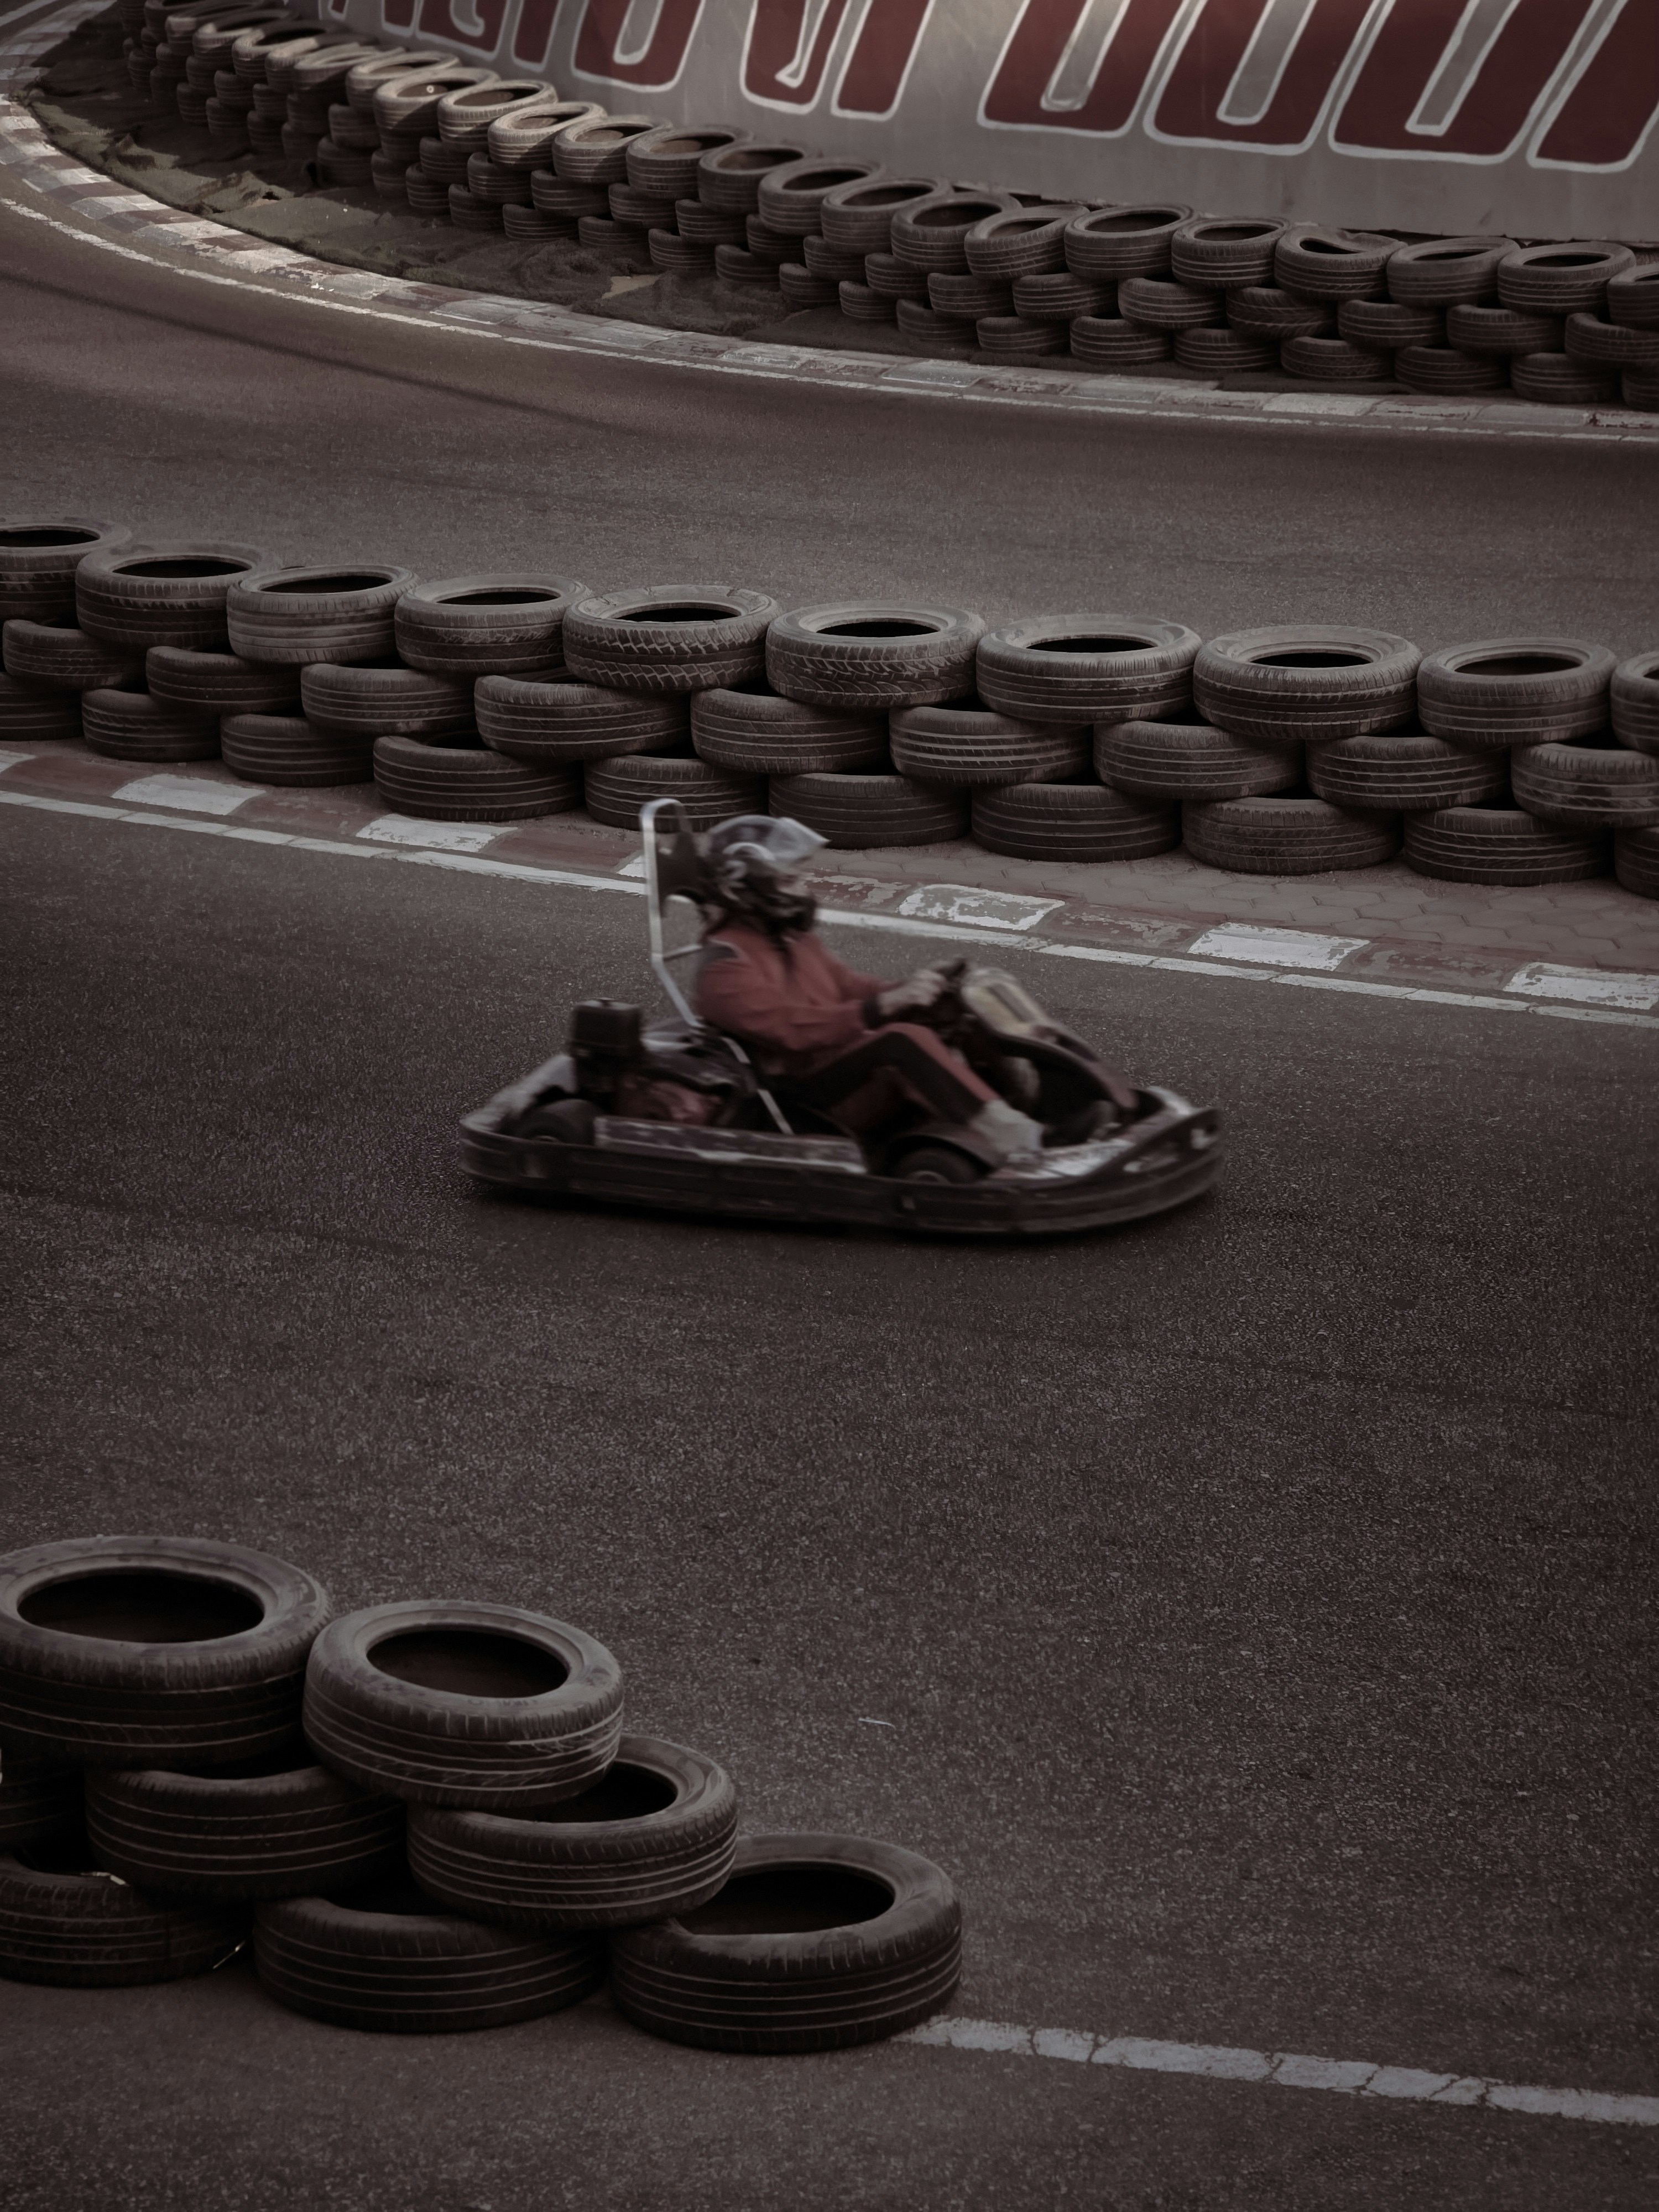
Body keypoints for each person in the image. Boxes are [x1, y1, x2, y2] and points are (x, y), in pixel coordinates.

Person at [691, 815, 1048, 1162]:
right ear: (746, 887)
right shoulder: (724, 967)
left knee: (952, 1011)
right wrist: (885, 1006)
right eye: (789, 881)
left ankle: (1032, 1109)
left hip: (841, 1063)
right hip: (806, 1100)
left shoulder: (792, 938)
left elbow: (850, 987)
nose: (803, 890)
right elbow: (792, 1030)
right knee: (903, 1041)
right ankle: (1021, 1144)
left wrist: (914, 988)